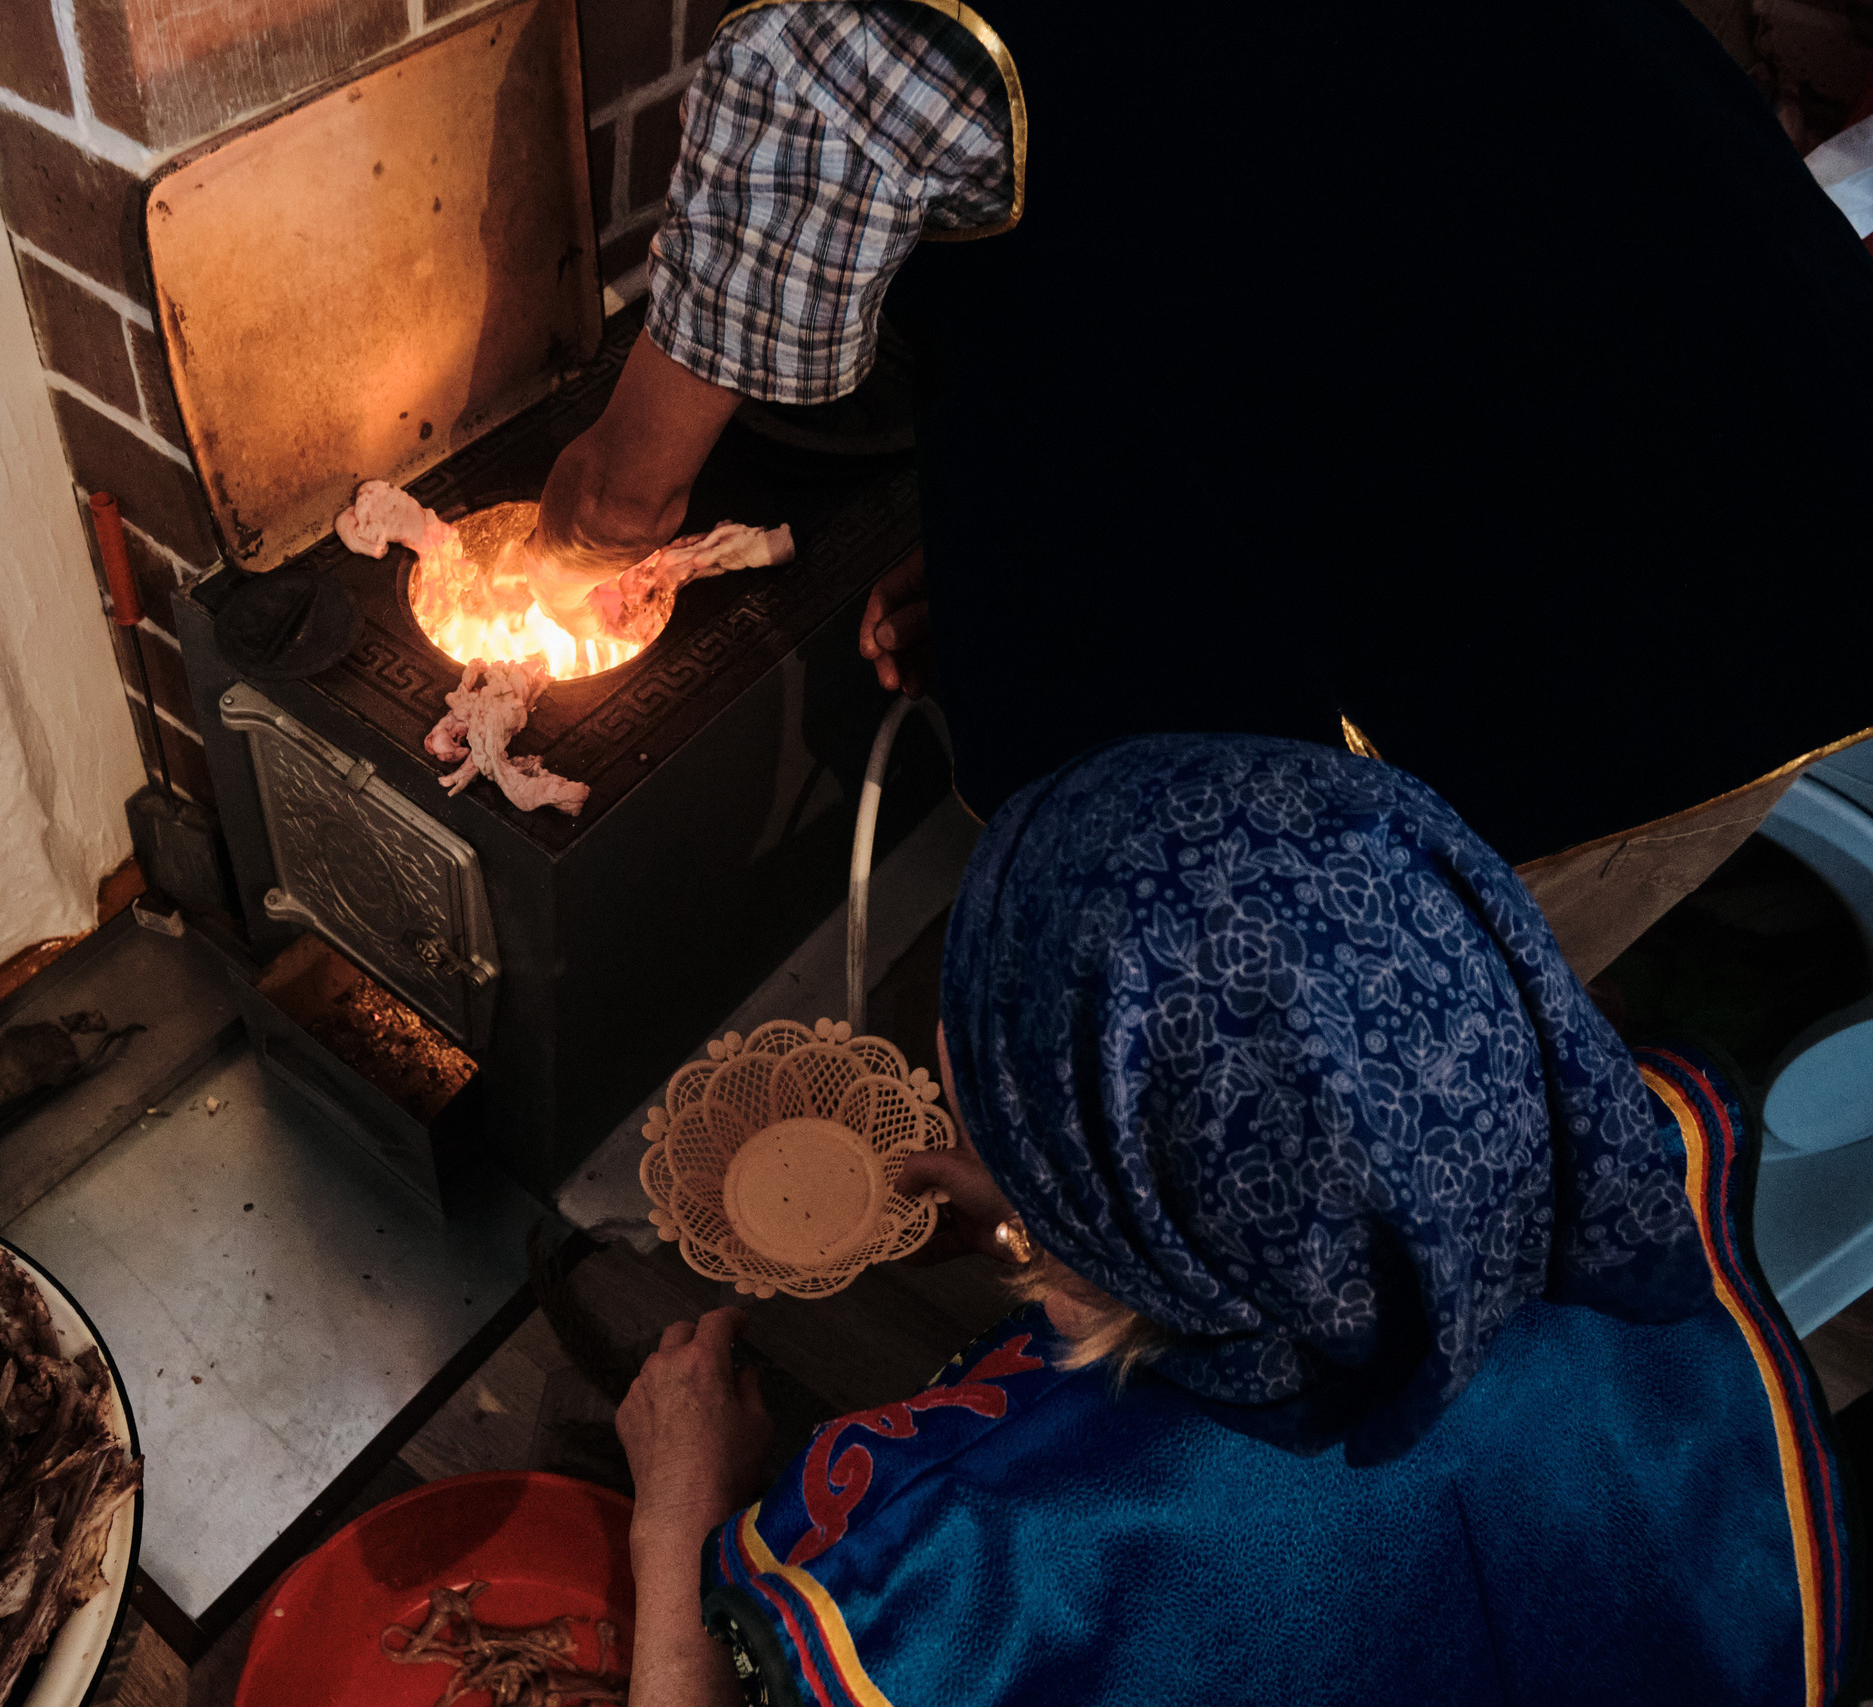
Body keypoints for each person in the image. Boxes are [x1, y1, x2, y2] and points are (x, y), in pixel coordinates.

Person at [612, 733, 1852, 1705]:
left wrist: (675, 1521)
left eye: (980, 1068)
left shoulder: (987, 1559)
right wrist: (1088, 1217)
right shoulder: (1595, 1199)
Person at [518, 0, 1873, 870]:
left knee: (1352, 1083)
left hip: (1599, 622)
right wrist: (1038, 558)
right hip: (1788, 439)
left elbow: (631, 498)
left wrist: (572, 533)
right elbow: (1280, 225)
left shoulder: (860, 34)